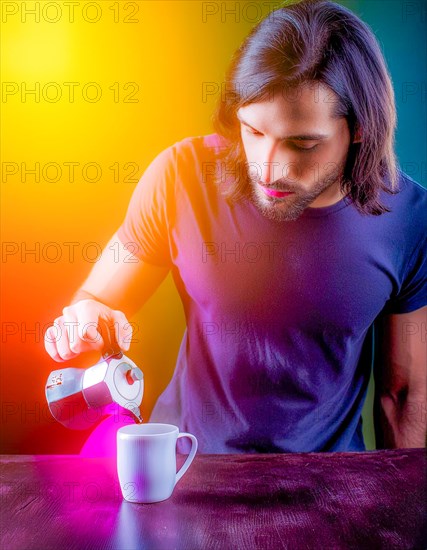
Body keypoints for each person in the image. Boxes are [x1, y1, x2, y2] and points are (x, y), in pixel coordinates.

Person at [44, 0, 426, 452]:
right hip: (187, 470)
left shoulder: (409, 218)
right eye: (253, 131)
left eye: (302, 143)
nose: (267, 169)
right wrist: (87, 321)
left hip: (329, 485)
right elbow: (95, 301)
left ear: (360, 128)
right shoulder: (179, 178)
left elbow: (403, 396)